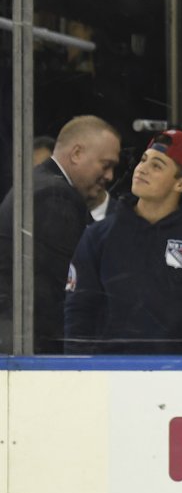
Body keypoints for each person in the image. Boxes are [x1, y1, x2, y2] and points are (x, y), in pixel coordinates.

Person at [64, 129, 182, 354]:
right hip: (110, 372)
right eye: (143, 160)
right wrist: (78, 369)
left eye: (157, 166)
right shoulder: (99, 235)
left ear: (181, 184)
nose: (142, 169)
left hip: (179, 372)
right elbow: (78, 313)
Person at [0, 115, 121, 353]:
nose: (110, 176)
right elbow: (62, 288)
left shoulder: (38, 183)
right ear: (76, 154)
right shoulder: (56, 196)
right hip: (35, 346)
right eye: (106, 165)